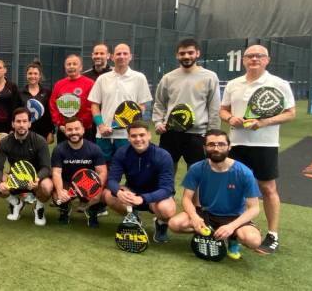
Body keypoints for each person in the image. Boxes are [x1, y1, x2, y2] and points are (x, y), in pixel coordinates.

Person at [220, 44, 296, 254]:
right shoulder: (234, 84)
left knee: (268, 189)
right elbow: (223, 110)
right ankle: (235, 229)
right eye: (250, 56)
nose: (254, 59)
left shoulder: (278, 83)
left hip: (265, 145)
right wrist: (230, 118)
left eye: (259, 56)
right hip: (236, 144)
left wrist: (263, 122)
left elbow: (290, 113)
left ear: (267, 60)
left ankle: (272, 235)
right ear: (243, 60)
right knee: (234, 189)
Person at [168, 129, 262, 260]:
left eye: (221, 144)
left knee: (253, 240)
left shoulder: (243, 172)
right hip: (206, 214)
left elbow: (254, 208)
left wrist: (231, 227)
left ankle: (233, 239)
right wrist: (195, 217)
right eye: (211, 144)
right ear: (205, 147)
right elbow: (186, 199)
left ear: (229, 147)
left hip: (234, 217)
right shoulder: (197, 168)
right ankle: (208, 234)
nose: (216, 148)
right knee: (174, 224)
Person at [153, 38, 221, 170]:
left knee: (197, 176)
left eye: (190, 53)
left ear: (197, 53)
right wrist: (157, 123)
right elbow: (159, 104)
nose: (186, 56)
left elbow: (214, 108)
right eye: (182, 53)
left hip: (197, 134)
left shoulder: (210, 77)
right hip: (170, 133)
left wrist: (212, 134)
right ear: (177, 55)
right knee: (165, 173)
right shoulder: (168, 78)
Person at [103, 121, 176, 243]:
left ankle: (161, 223)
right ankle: (134, 216)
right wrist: (119, 192)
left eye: (142, 135)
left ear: (149, 135)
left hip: (156, 197)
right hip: (133, 194)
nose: (138, 139)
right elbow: (112, 180)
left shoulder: (163, 155)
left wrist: (143, 198)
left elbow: (167, 189)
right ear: (128, 137)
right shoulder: (122, 152)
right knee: (108, 195)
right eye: (134, 136)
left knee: (167, 209)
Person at [87, 43, 152, 162]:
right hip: (103, 134)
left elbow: (142, 106)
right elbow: (94, 105)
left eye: (125, 53)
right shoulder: (102, 79)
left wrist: (122, 122)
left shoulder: (139, 77)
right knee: (103, 169)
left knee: (129, 170)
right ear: (112, 57)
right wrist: (101, 126)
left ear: (130, 57)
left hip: (127, 135)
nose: (121, 56)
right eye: (118, 54)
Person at [0, 108, 53, 226]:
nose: (21, 125)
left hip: (35, 181)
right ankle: (16, 203)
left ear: (29, 124)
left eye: (24, 121)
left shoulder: (40, 141)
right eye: (18, 121)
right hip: (16, 179)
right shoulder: (4, 142)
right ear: (13, 124)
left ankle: (38, 208)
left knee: (48, 186)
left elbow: (46, 167)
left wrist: (37, 178)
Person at [50, 117, 107, 227]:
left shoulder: (94, 148)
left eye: (77, 129)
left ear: (83, 130)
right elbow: (56, 173)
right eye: (70, 130)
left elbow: (102, 172)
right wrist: (60, 191)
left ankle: (92, 211)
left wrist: (96, 190)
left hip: (88, 184)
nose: (73, 132)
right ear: (65, 131)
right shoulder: (59, 149)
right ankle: (65, 209)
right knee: (57, 196)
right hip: (68, 183)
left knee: (103, 193)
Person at [50, 54, 96, 143]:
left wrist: (80, 124)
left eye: (74, 64)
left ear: (81, 67)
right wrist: (60, 124)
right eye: (68, 64)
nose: (71, 66)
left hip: (84, 129)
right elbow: (53, 105)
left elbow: (92, 107)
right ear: (65, 67)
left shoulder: (89, 83)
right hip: (64, 129)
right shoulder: (59, 84)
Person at [20, 61, 54, 144]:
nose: (33, 76)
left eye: (35, 74)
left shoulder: (47, 92)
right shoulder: (20, 93)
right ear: (26, 75)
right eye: (30, 73)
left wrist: (51, 132)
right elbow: (16, 113)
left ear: (39, 76)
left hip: (43, 133)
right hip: (24, 132)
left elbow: (50, 113)